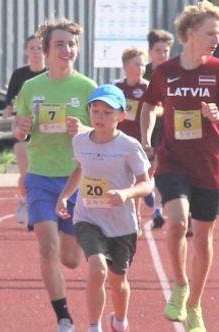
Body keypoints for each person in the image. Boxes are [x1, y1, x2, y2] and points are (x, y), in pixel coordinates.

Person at [140, 2, 219, 332]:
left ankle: (195, 303)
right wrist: (144, 139)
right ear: (190, 33)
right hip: (172, 160)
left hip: (210, 164)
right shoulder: (165, 71)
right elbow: (148, 105)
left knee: (203, 239)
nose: (216, 40)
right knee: (176, 221)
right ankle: (180, 283)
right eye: (210, 33)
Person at [12, 18, 99, 332]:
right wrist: (20, 128)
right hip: (40, 176)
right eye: (60, 44)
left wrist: (86, 129)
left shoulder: (87, 88)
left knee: (72, 259)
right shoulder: (31, 88)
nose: (67, 49)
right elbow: (19, 126)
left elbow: (106, 131)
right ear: (46, 51)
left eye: (71, 44)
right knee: (46, 245)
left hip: (76, 180)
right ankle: (64, 317)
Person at [56, 84, 153, 332]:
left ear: (121, 116)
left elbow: (146, 185)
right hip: (88, 217)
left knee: (118, 281)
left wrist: (126, 193)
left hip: (122, 224)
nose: (99, 116)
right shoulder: (80, 142)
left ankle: (119, 320)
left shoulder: (129, 146)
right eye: (95, 110)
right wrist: (65, 196)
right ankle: (93, 327)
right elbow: (80, 170)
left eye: (107, 112)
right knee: (97, 268)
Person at [4, 34, 48, 223]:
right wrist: (8, 108)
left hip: (46, 129)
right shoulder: (20, 75)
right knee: (26, 172)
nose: (36, 51)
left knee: (44, 172)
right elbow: (10, 96)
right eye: (32, 48)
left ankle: (42, 205)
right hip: (23, 128)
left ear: (45, 50)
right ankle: (25, 201)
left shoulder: (52, 74)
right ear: (26, 51)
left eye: (39, 47)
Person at [145, 29, 174, 228]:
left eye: (165, 51)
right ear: (150, 52)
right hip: (148, 124)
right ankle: (148, 194)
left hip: (169, 125)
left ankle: (157, 209)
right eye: (158, 51)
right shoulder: (144, 72)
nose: (162, 55)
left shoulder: (174, 72)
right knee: (148, 167)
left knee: (159, 166)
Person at [113, 46, 150, 149]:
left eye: (143, 65)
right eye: (137, 65)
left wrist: (152, 109)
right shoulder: (115, 86)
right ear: (125, 66)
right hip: (117, 140)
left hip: (138, 140)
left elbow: (160, 108)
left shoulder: (147, 87)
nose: (141, 69)